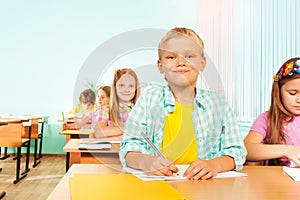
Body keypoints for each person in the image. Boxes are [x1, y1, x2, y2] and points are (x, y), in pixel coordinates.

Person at [119, 27, 246, 180]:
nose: (181, 62)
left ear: (202, 63)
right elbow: (128, 149)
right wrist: (146, 162)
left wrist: (214, 165)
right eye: (171, 57)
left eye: (190, 56)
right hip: (157, 185)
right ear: (160, 66)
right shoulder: (148, 100)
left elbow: (236, 152)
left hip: (206, 187)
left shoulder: (220, 105)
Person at [244, 57, 300, 166]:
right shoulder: (267, 119)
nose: (299, 100)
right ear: (278, 91)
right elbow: (246, 150)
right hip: (276, 180)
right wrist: (287, 150)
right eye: (293, 93)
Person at [94, 68, 140, 140]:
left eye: (131, 86)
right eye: (121, 85)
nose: (126, 89)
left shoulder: (139, 111)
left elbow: (143, 135)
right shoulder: (104, 110)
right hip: (112, 150)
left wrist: (113, 137)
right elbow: (99, 132)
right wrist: (127, 128)